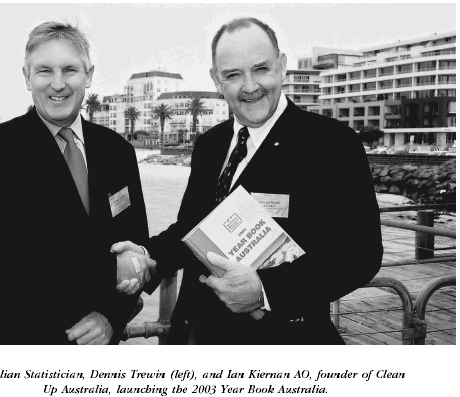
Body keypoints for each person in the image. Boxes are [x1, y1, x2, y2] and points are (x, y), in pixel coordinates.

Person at [113, 17, 383, 345]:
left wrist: (265, 292)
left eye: (261, 69)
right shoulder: (210, 144)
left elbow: (361, 255)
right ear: (216, 79)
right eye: (233, 75)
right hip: (195, 336)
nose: (250, 86)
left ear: (282, 66)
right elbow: (193, 230)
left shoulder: (333, 144)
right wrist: (145, 255)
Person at [0, 21, 154, 345]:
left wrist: (111, 316)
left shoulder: (118, 151)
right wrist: (112, 270)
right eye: (44, 71)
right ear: (27, 77)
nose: (58, 84)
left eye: (69, 70)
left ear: (89, 75)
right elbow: (9, 253)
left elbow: (134, 244)